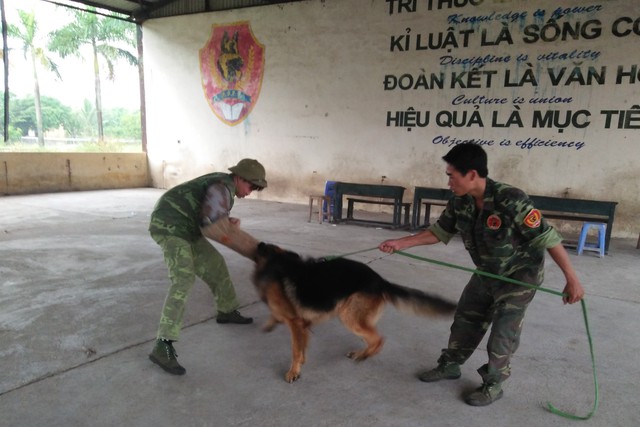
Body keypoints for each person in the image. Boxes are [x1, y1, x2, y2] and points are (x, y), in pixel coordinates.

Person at [379, 143, 584, 406]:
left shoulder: (512, 199)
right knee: (466, 318)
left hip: (519, 277)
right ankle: (450, 365)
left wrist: (572, 279)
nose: (449, 181)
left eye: (452, 175)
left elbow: (548, 238)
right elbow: (439, 231)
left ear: (472, 174)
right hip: (487, 272)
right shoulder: (460, 201)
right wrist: (401, 243)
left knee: (502, 332)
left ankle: (493, 384)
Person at [148, 158, 267, 375]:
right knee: (183, 278)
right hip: (169, 225)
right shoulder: (222, 187)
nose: (251, 192)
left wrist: (227, 223)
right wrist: (257, 253)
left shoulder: (227, 188)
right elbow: (214, 230)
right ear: (239, 178)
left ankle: (227, 311)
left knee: (216, 265)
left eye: (256, 188)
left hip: (188, 227)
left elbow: (212, 217)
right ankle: (162, 345)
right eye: (251, 186)